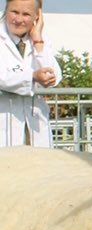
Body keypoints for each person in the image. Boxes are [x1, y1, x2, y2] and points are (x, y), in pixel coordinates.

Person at [0, 0, 61, 147]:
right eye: (14, 12)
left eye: (26, 14)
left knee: (40, 167)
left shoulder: (40, 40)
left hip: (35, 125)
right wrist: (33, 77)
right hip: (5, 122)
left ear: (37, 17)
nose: (19, 19)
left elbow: (54, 76)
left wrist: (38, 41)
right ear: (5, 10)